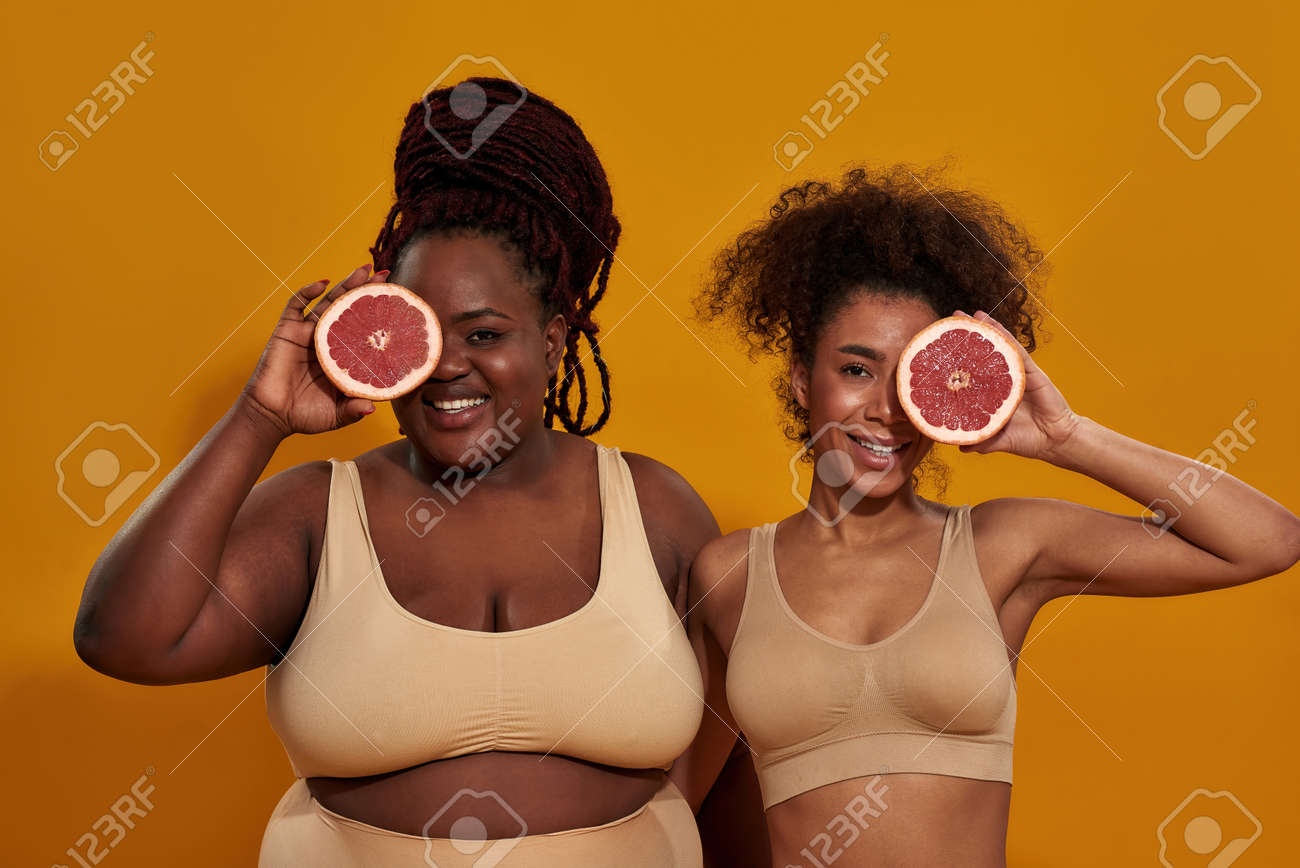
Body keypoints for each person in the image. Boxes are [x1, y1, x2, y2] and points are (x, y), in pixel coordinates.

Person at [73, 78, 718, 867]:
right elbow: (121, 640)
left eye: (484, 334)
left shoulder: (654, 508)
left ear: (553, 343)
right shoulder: (317, 513)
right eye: (419, 334)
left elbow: (741, 741)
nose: (446, 365)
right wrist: (260, 415)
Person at [678, 165, 1300, 867]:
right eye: (856, 370)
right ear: (802, 378)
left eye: (910, 377)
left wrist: (1067, 438)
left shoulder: (1003, 545)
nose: (885, 409)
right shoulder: (729, 575)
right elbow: (681, 799)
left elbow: (1267, 542)